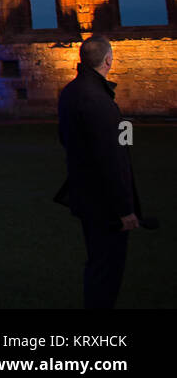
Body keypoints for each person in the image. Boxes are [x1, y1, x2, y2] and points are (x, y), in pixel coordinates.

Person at [54, 35, 142, 309]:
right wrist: (125, 208)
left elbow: (65, 138)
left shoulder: (71, 91)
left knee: (97, 260)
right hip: (104, 201)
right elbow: (111, 159)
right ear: (107, 60)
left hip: (85, 194)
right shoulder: (99, 99)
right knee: (107, 267)